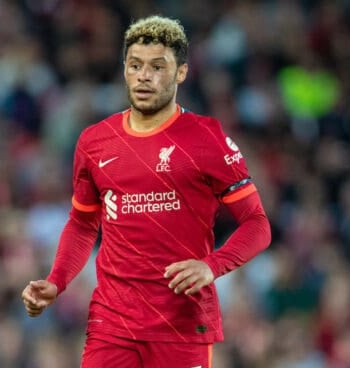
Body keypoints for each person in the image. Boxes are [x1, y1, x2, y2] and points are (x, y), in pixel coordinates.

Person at [22, 15, 271, 368]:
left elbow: (258, 224)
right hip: (112, 323)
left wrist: (211, 266)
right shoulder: (95, 141)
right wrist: (56, 281)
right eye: (135, 65)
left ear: (181, 72)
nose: (144, 75)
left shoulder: (206, 139)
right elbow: (82, 224)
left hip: (182, 325)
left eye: (158, 66)